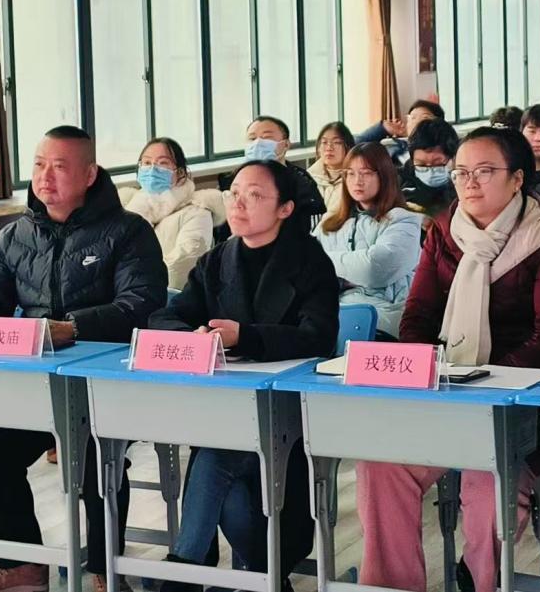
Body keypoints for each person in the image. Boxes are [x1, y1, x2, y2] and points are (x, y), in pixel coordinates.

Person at [0, 126, 167, 592]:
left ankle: (105, 569)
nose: (45, 177)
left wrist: (74, 327)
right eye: (39, 165)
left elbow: (140, 305)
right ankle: (24, 562)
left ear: (90, 174)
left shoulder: (128, 232)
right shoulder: (14, 236)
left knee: (93, 455)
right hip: (35, 386)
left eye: (59, 167)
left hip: (108, 386)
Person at [358, 128, 540, 592]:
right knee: (381, 464)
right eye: (461, 172)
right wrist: (428, 371)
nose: (469, 183)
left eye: (484, 171)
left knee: (490, 487)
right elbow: (418, 315)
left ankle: (479, 580)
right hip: (447, 391)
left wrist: (485, 381)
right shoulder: (445, 230)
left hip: (518, 406)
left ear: (517, 179)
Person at [150, 160, 338, 585]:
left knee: (216, 454)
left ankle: (184, 574)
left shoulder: (309, 260)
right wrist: (193, 336)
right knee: (224, 469)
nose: (238, 203)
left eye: (254, 195)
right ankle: (259, 576)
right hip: (225, 406)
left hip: (287, 414)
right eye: (234, 193)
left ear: (285, 208)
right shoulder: (218, 259)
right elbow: (166, 316)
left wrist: (246, 337)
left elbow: (318, 337)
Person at [314, 143, 423, 337]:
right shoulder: (330, 222)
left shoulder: (404, 220)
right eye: (350, 174)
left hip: (383, 315)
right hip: (335, 313)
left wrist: (324, 261)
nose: (357, 181)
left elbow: (374, 269)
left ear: (384, 176)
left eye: (366, 173)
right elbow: (305, 267)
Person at [119, 137, 223, 291]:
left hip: (166, 296)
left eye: (162, 163)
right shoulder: (127, 207)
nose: (152, 169)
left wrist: (131, 281)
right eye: (146, 162)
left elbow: (182, 267)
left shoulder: (197, 212)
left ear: (180, 172)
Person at [218, 115, 326, 233]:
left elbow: (312, 223)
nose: (258, 143)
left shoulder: (300, 180)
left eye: (267, 138)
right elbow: (222, 228)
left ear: (285, 144)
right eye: (252, 138)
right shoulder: (232, 180)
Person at [399, 118, 459, 222]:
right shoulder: (397, 183)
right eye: (421, 165)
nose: (430, 171)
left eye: (438, 164)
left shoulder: (465, 186)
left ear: (454, 159)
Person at [355, 99, 445, 166]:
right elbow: (353, 147)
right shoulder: (392, 147)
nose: (417, 122)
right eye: (412, 118)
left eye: (425, 117)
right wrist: (382, 128)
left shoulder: (444, 149)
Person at [308, 122, 356, 215]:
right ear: (318, 148)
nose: (329, 148)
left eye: (336, 142)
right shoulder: (308, 178)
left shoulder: (356, 179)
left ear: (348, 147)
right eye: (324, 142)